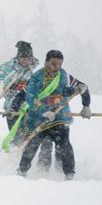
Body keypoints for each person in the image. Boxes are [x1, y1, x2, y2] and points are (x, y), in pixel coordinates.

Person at [9, 50, 90, 180]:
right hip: (38, 118)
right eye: (53, 64)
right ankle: (22, 173)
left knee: (64, 145)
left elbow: (68, 91)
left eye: (59, 64)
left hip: (59, 117)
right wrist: (43, 111)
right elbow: (30, 98)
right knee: (32, 145)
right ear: (46, 62)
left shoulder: (64, 75)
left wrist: (82, 100)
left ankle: (69, 175)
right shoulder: (37, 77)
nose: (56, 67)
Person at [0, 41, 52, 170]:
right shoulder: (8, 67)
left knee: (42, 139)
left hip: (34, 108)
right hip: (13, 108)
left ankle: (42, 168)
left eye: (29, 58)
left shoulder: (38, 69)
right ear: (18, 57)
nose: (26, 61)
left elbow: (48, 86)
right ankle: (15, 167)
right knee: (17, 139)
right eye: (23, 58)